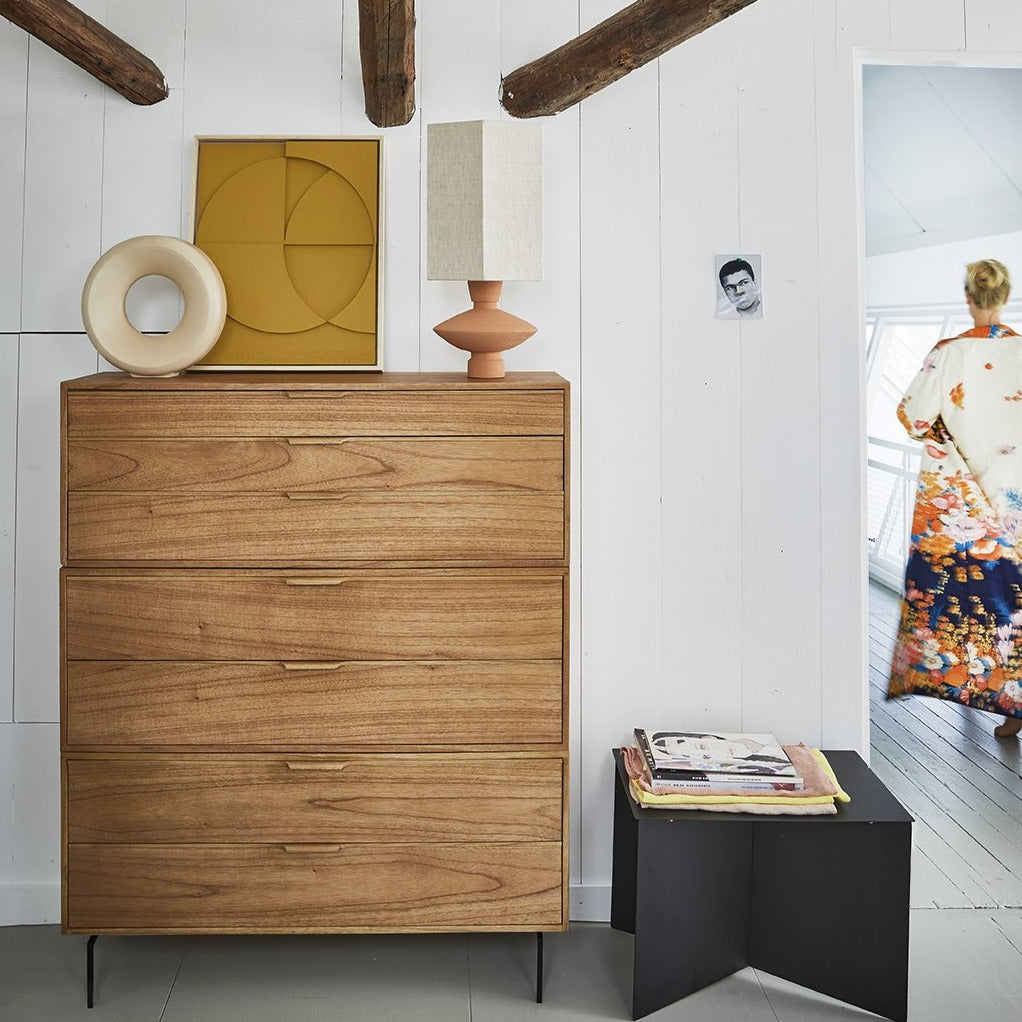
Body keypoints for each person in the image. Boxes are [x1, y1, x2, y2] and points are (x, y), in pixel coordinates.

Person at [887, 259, 1022, 739]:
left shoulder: (947, 353)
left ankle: (970, 685)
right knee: (1014, 600)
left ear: (968, 298)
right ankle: (1012, 709)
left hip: (965, 503)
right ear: (1006, 296)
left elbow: (913, 416)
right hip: (1017, 500)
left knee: (968, 597)